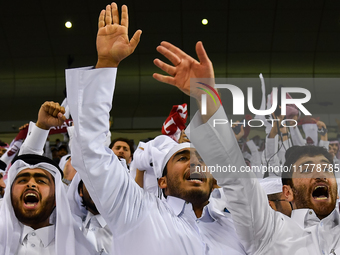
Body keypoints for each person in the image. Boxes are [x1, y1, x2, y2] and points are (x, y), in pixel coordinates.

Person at [66, 2, 246, 254]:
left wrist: (207, 96)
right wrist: (106, 63)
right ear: (161, 180)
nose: (195, 164)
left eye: (202, 160)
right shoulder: (136, 210)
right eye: (183, 157)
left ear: (215, 178)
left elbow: (238, 173)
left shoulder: (239, 228)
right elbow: (91, 151)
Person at [152, 39, 340, 254]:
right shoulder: (269, 231)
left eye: (327, 168)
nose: (319, 174)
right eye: (306, 169)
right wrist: (206, 95)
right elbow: (236, 177)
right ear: (287, 191)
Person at [0, 101, 96, 255]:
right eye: (22, 180)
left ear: (57, 196)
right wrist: (41, 127)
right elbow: (25, 162)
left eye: (41, 181)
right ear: (10, 195)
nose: (31, 184)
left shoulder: (83, 246)